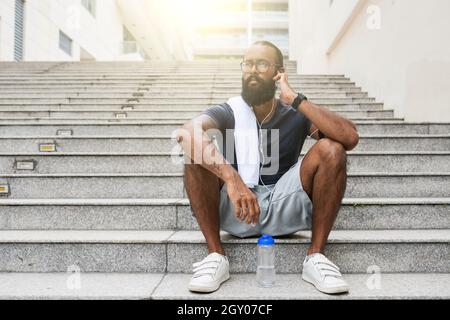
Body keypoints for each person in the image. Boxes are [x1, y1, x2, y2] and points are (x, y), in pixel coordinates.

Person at [176, 41, 360, 295]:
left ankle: (316, 257)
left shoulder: (295, 113)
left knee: (332, 149)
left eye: (261, 64)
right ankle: (216, 256)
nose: (252, 69)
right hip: (236, 206)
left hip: (284, 202)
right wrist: (232, 178)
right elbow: (186, 133)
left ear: (278, 72)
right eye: (247, 64)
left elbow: (349, 137)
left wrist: (296, 100)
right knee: (193, 153)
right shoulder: (229, 111)